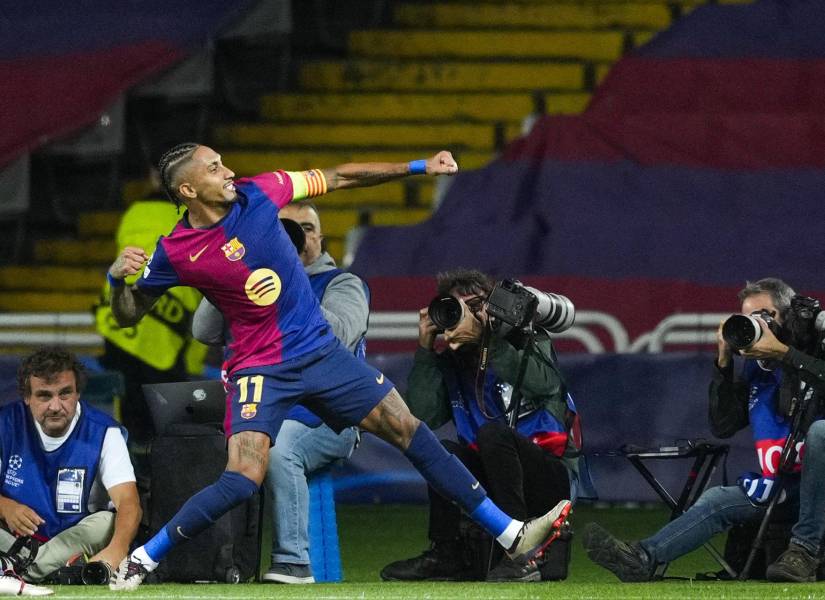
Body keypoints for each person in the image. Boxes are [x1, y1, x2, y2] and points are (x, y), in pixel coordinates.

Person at [105, 143, 571, 590]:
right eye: (213, 168)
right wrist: (115, 280)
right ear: (187, 191)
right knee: (242, 477)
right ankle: (142, 560)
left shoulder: (262, 191)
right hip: (259, 370)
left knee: (408, 428)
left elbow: (340, 175)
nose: (227, 172)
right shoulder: (177, 250)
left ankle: (510, 534)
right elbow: (129, 312)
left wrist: (417, 166)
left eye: (222, 163)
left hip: (321, 354)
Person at [583, 278, 825, 583]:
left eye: (766, 315)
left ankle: (804, 552)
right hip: (783, 488)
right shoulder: (756, 369)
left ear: (789, 317)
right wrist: (723, 361)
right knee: (716, 500)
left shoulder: (816, 350)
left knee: (821, 431)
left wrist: (786, 354)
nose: (759, 325)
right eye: (750, 318)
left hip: (819, 487)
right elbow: (723, 426)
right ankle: (642, 557)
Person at [191, 201, 365, 584]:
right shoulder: (251, 282)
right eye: (286, 229)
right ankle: (209, 563)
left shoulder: (342, 283)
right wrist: (231, 271)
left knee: (280, 445)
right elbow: (202, 331)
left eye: (305, 228)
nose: (297, 237)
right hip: (258, 410)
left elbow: (336, 335)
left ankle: (293, 562)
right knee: (197, 444)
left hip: (327, 418)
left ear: (319, 237)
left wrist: (287, 277)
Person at [380, 269, 581, 583]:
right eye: (456, 308)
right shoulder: (452, 361)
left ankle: (518, 555)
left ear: (491, 308)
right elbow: (424, 415)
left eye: (474, 305)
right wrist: (425, 349)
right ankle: (447, 554)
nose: (464, 316)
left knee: (492, 434)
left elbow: (545, 385)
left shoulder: (525, 340)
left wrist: (492, 343)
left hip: (550, 478)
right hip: (494, 474)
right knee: (441, 451)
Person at [0, 347, 141, 591]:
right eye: (44, 396)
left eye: (64, 394)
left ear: (78, 393)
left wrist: (116, 551)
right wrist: (5, 506)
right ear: (26, 397)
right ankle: (34, 570)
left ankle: (14, 570)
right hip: (12, 539)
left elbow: (129, 504)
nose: (56, 406)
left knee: (107, 522)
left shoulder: (105, 432)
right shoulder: (5, 424)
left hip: (71, 540)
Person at [95, 174, 208, 442]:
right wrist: (194, 360)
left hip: (122, 324)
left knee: (131, 418)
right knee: (168, 425)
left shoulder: (134, 212)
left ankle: (132, 469)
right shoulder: (201, 219)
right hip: (168, 330)